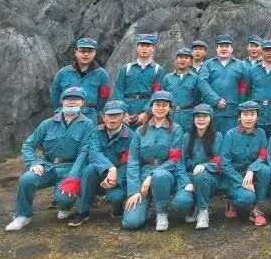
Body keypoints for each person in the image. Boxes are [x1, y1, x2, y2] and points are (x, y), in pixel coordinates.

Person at [5, 86, 97, 231]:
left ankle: (64, 206)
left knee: (64, 198)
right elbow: (29, 145)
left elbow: (84, 152)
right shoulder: (48, 123)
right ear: (62, 102)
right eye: (68, 98)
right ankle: (23, 215)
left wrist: (73, 177)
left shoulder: (88, 125)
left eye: (76, 99)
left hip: (70, 168)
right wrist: (34, 162)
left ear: (82, 103)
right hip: (47, 166)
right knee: (26, 180)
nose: (72, 101)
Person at [122, 91, 184, 231]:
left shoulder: (176, 130)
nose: (160, 108)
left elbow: (174, 159)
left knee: (159, 176)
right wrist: (134, 191)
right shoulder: (140, 131)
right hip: (142, 176)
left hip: (166, 175)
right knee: (130, 222)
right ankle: (146, 204)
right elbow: (133, 161)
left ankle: (161, 213)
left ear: (170, 108)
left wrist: (151, 176)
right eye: (157, 105)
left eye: (164, 105)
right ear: (151, 107)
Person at [69, 100, 131, 226]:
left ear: (124, 117)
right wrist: (110, 168)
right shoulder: (96, 131)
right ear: (103, 117)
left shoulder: (131, 136)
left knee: (116, 196)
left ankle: (118, 207)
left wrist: (115, 179)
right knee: (89, 170)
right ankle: (82, 212)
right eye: (109, 115)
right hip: (99, 172)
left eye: (117, 115)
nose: (112, 118)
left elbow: (129, 164)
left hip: (118, 177)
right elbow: (94, 153)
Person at [217, 101, 271, 226]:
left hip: (252, 174)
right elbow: (225, 164)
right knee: (247, 198)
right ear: (239, 116)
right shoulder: (230, 135)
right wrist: (241, 182)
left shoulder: (261, 133)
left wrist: (252, 169)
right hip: (233, 177)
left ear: (257, 117)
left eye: (252, 114)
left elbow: (263, 156)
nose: (249, 118)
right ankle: (231, 201)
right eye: (245, 114)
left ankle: (257, 208)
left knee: (266, 170)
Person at [172, 103, 222, 230]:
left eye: (205, 116)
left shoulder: (218, 137)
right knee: (180, 203)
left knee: (201, 175)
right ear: (193, 119)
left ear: (210, 119)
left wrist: (205, 166)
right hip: (189, 179)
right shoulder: (185, 138)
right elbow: (180, 163)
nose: (201, 119)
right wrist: (185, 182)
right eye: (198, 116)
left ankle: (203, 211)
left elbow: (219, 161)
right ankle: (193, 205)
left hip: (209, 179)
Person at [147, 48, 222, 132]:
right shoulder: (167, 78)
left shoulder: (195, 79)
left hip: (188, 116)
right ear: (176, 59)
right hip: (170, 116)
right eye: (180, 57)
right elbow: (162, 97)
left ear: (191, 61)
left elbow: (197, 98)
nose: (183, 60)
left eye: (186, 58)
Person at [199, 34, 251, 135]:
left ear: (231, 49)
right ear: (216, 49)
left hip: (232, 112)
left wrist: (242, 109)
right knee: (211, 139)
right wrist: (215, 100)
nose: (224, 49)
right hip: (211, 111)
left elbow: (243, 87)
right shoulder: (208, 64)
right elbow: (202, 83)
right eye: (221, 46)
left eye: (227, 46)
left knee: (230, 138)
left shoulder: (240, 65)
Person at [50, 38, 111, 118]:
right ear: (76, 53)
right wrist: (58, 109)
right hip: (65, 115)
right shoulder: (63, 72)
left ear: (94, 53)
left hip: (89, 116)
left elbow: (104, 96)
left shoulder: (101, 74)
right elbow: (54, 92)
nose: (86, 54)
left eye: (90, 51)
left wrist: (94, 111)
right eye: (82, 51)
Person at [113, 34, 164, 125]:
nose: (144, 48)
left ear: (153, 48)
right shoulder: (126, 68)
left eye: (148, 46)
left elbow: (156, 93)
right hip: (126, 110)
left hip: (146, 110)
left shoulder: (158, 70)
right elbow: (118, 91)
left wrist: (146, 112)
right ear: (137, 47)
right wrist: (122, 111)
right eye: (142, 45)